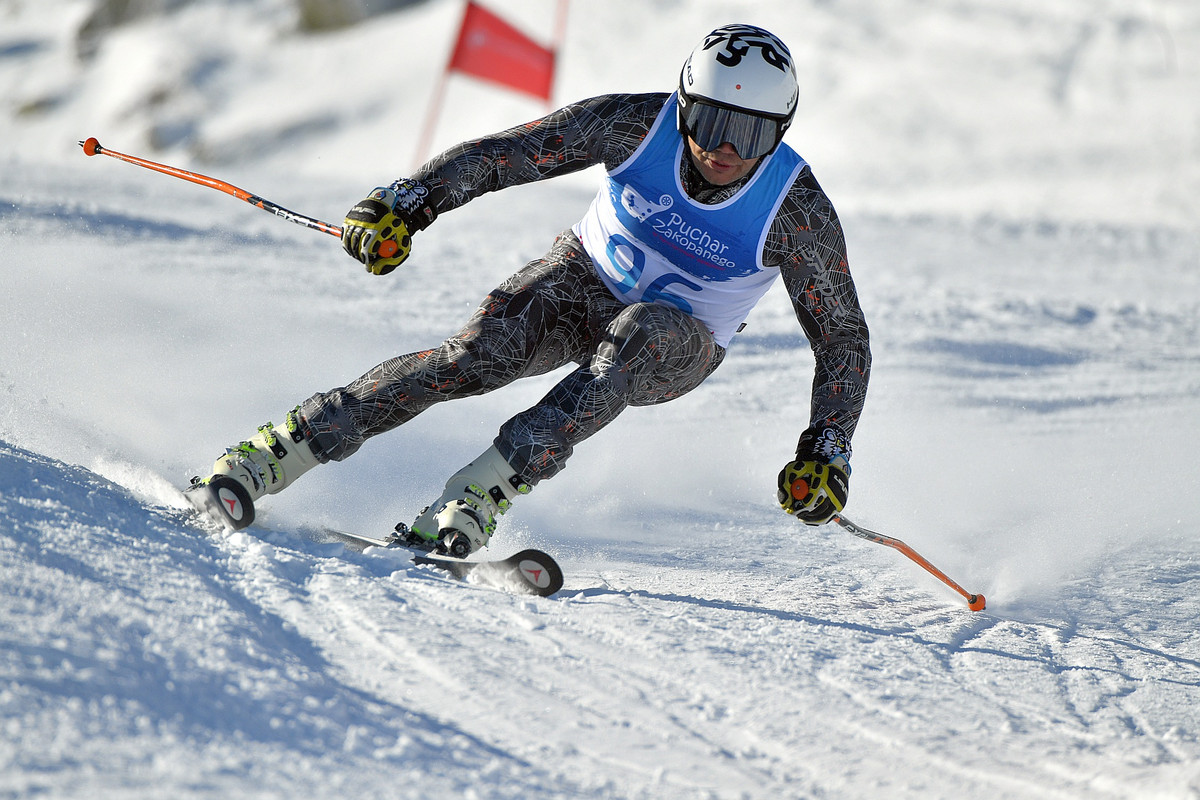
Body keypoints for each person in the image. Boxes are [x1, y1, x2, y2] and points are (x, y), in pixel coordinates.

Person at [188, 23, 872, 558]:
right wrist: (411, 201)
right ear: (683, 106)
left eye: (752, 134)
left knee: (636, 335)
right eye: (712, 123)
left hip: (677, 345)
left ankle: (477, 496)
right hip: (582, 280)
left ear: (780, 132)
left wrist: (827, 447)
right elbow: (507, 155)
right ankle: (281, 449)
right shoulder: (634, 125)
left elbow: (841, 337)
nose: (726, 149)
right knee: (473, 358)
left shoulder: (795, 211)